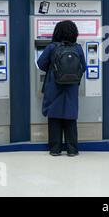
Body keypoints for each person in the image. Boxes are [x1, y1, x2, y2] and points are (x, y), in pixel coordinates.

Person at [37, 20, 87, 157]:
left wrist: (53, 68)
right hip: (71, 88)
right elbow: (84, 67)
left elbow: (40, 63)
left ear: (57, 32)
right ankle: (72, 149)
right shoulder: (78, 48)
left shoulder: (52, 47)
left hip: (54, 86)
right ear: (74, 33)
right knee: (70, 118)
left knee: (54, 117)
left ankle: (55, 149)